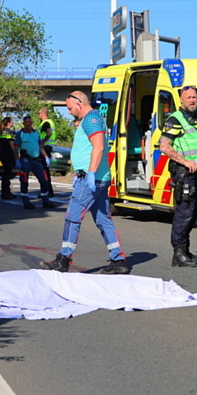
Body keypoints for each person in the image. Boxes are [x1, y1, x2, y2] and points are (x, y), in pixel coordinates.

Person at [40, 91, 129, 274]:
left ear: (79, 104)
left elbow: (99, 147)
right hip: (95, 177)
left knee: (72, 217)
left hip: (91, 179)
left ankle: (63, 259)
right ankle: (118, 260)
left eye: (70, 108)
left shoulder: (91, 119)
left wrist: (90, 173)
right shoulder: (92, 119)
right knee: (103, 219)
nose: (69, 112)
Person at [159, 85, 197, 267]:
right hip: (183, 173)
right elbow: (164, 146)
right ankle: (178, 254)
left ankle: (185, 250)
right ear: (181, 100)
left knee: (192, 213)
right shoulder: (175, 119)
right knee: (184, 213)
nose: (192, 100)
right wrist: (185, 162)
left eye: (194, 97)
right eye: (189, 97)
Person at [15, 115, 56, 210]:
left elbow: (40, 146)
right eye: (26, 122)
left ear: (32, 123)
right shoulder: (20, 134)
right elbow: (16, 148)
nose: (28, 124)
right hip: (25, 160)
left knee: (44, 180)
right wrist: (16, 160)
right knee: (24, 181)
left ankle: (46, 201)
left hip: (36, 160)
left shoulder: (36, 133)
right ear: (23, 123)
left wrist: (46, 157)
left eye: (30, 122)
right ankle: (26, 202)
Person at [36, 106, 55, 197]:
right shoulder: (51, 122)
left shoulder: (45, 123)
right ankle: (48, 190)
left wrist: (43, 141)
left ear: (42, 114)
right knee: (44, 170)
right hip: (48, 147)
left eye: (39, 113)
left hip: (45, 148)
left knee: (43, 171)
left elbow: (49, 133)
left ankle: (46, 191)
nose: (38, 115)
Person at [0, 117, 17, 200]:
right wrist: (16, 155)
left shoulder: (1, 132)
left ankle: (6, 192)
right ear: (8, 123)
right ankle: (6, 193)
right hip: (8, 155)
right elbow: (12, 145)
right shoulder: (10, 132)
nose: (13, 122)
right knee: (7, 175)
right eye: (12, 121)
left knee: (5, 174)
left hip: (2, 154)